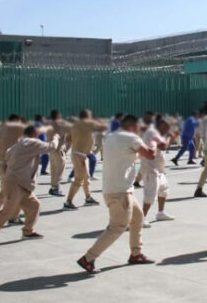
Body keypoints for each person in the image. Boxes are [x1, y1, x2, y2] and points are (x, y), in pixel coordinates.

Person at [76, 115, 154, 273]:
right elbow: (150, 155)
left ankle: (136, 254)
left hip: (115, 190)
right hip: (121, 192)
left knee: (138, 218)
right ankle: (88, 258)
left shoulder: (111, 137)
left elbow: (127, 155)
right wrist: (154, 143)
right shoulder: (131, 137)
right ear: (132, 126)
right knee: (117, 227)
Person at [0, 126, 61, 246]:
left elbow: (7, 157)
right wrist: (55, 138)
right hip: (16, 183)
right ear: (34, 133)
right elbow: (51, 147)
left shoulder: (17, 145)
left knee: (34, 205)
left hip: (22, 183)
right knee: (7, 211)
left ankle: (28, 231)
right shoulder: (32, 142)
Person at [63, 110, 108, 210]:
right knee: (79, 180)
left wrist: (80, 137)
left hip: (78, 153)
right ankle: (68, 202)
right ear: (88, 116)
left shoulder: (74, 125)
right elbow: (104, 127)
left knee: (86, 178)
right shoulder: (90, 123)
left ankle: (88, 198)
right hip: (81, 155)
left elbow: (67, 140)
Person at [142, 117, 175, 223]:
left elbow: (164, 146)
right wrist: (170, 137)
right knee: (150, 196)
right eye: (167, 128)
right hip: (151, 169)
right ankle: (142, 218)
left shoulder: (158, 134)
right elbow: (163, 146)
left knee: (163, 191)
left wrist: (170, 138)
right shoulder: (152, 133)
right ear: (161, 125)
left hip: (158, 169)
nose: (168, 130)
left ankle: (160, 213)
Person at [47, 110, 72, 196]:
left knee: (53, 169)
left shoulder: (49, 124)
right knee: (60, 169)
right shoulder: (61, 123)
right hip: (59, 149)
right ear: (58, 115)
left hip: (51, 149)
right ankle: (56, 187)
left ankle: (53, 187)